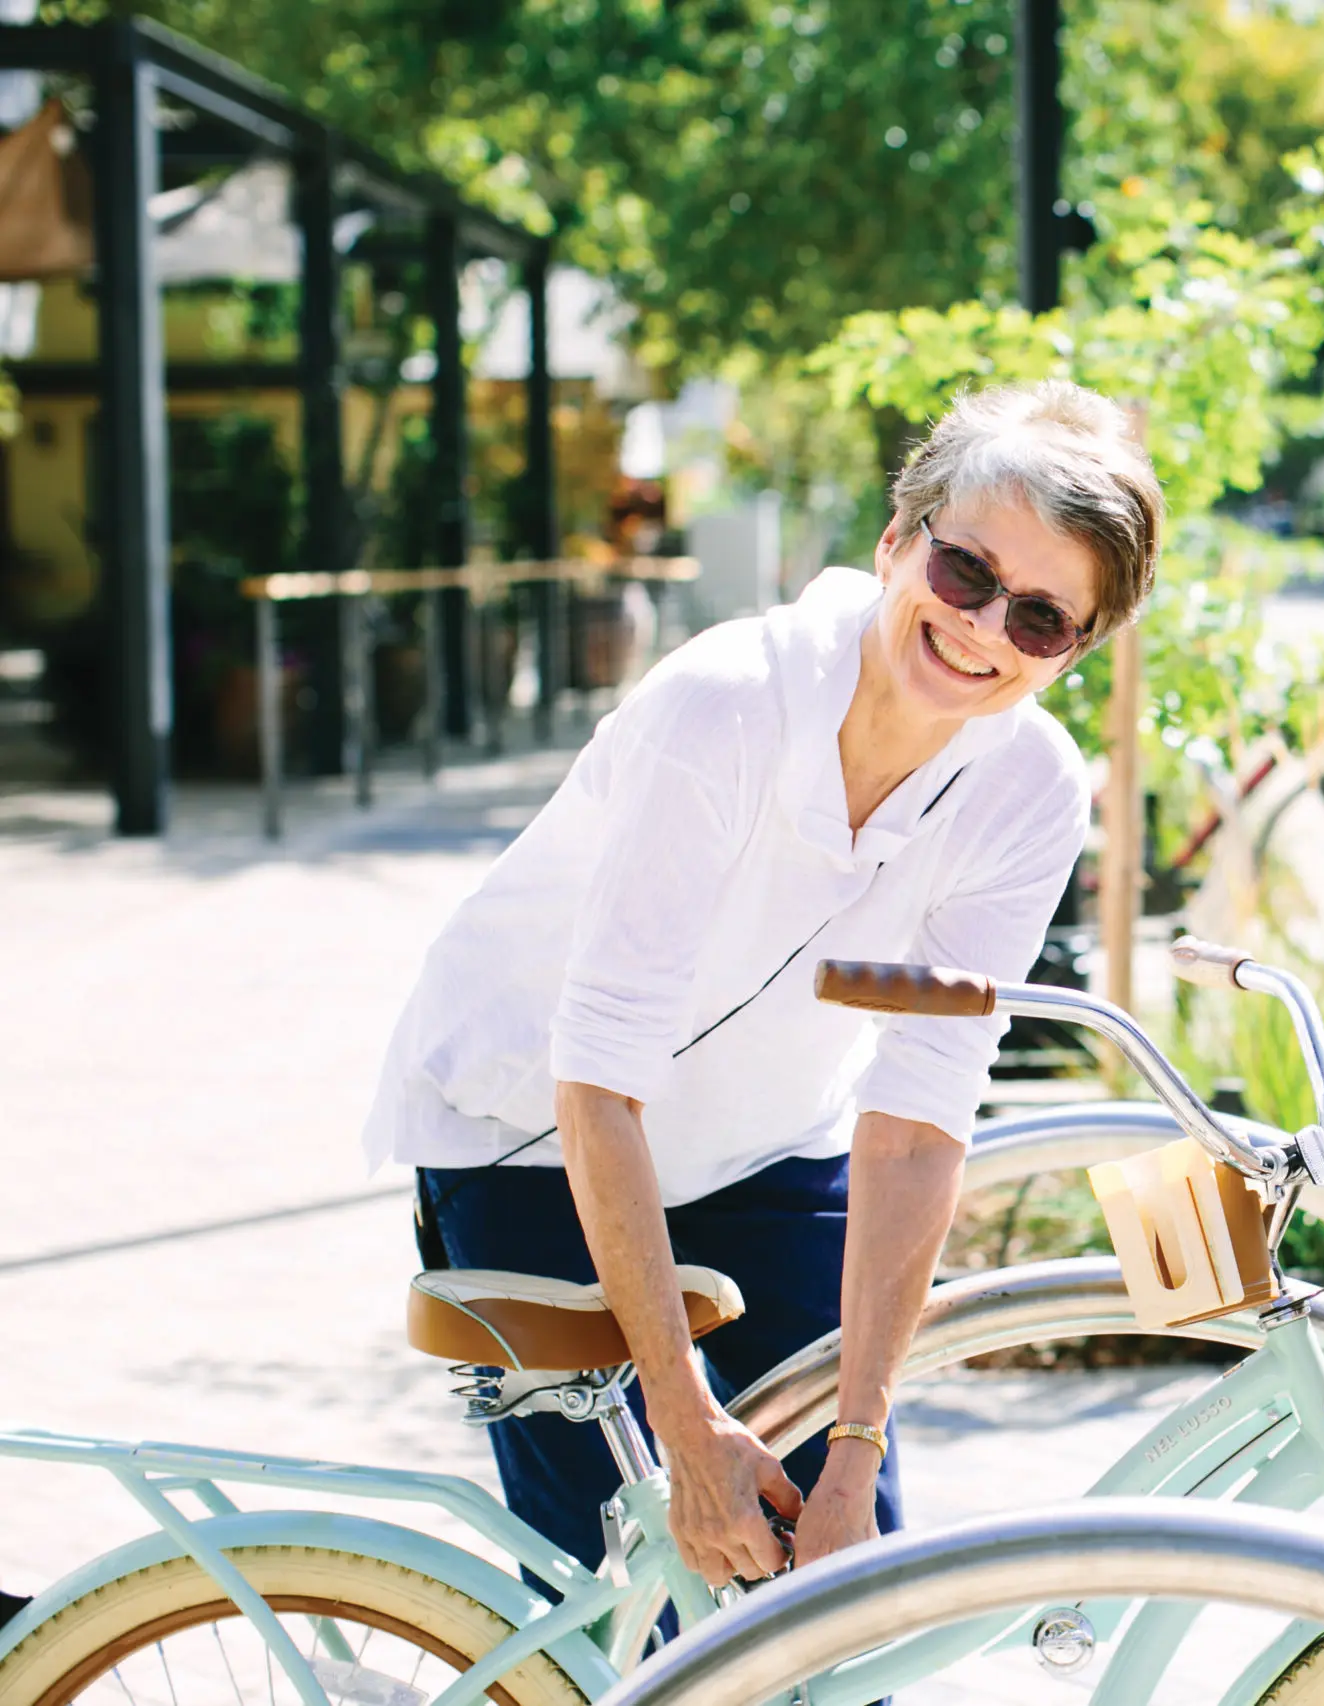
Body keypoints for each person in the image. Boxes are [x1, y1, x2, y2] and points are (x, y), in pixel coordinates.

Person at [362, 380, 1162, 1583]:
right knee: (620, 1596)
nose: (988, 627)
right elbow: (598, 1075)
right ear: (898, 543)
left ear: (1076, 649)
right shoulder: (727, 704)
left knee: (844, 1584)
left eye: (1042, 617)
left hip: (765, 1147)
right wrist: (688, 1430)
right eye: (964, 574)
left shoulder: (1030, 790)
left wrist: (857, 1444)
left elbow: (919, 1117)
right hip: (529, 1130)